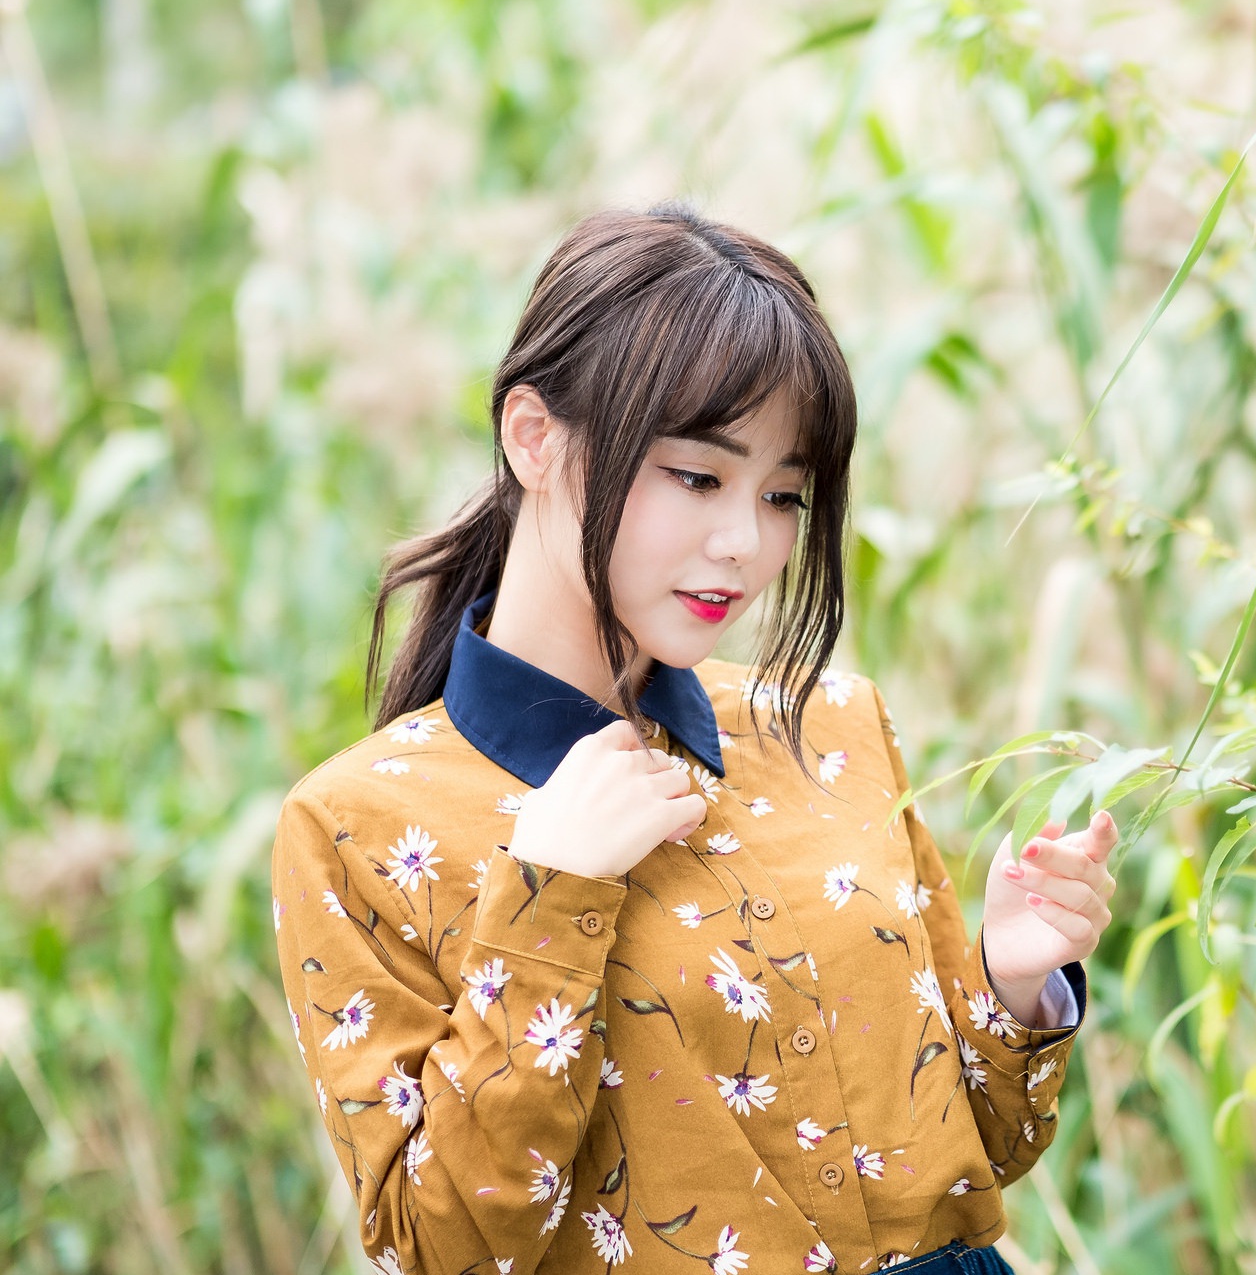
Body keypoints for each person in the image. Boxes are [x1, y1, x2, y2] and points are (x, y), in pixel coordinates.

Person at [269, 201, 1118, 1274]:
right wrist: (548, 899)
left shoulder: (831, 726)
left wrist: (1013, 984)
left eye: (781, 496)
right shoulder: (359, 826)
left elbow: (981, 1156)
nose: (745, 543)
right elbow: (444, 1254)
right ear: (533, 437)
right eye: (697, 477)